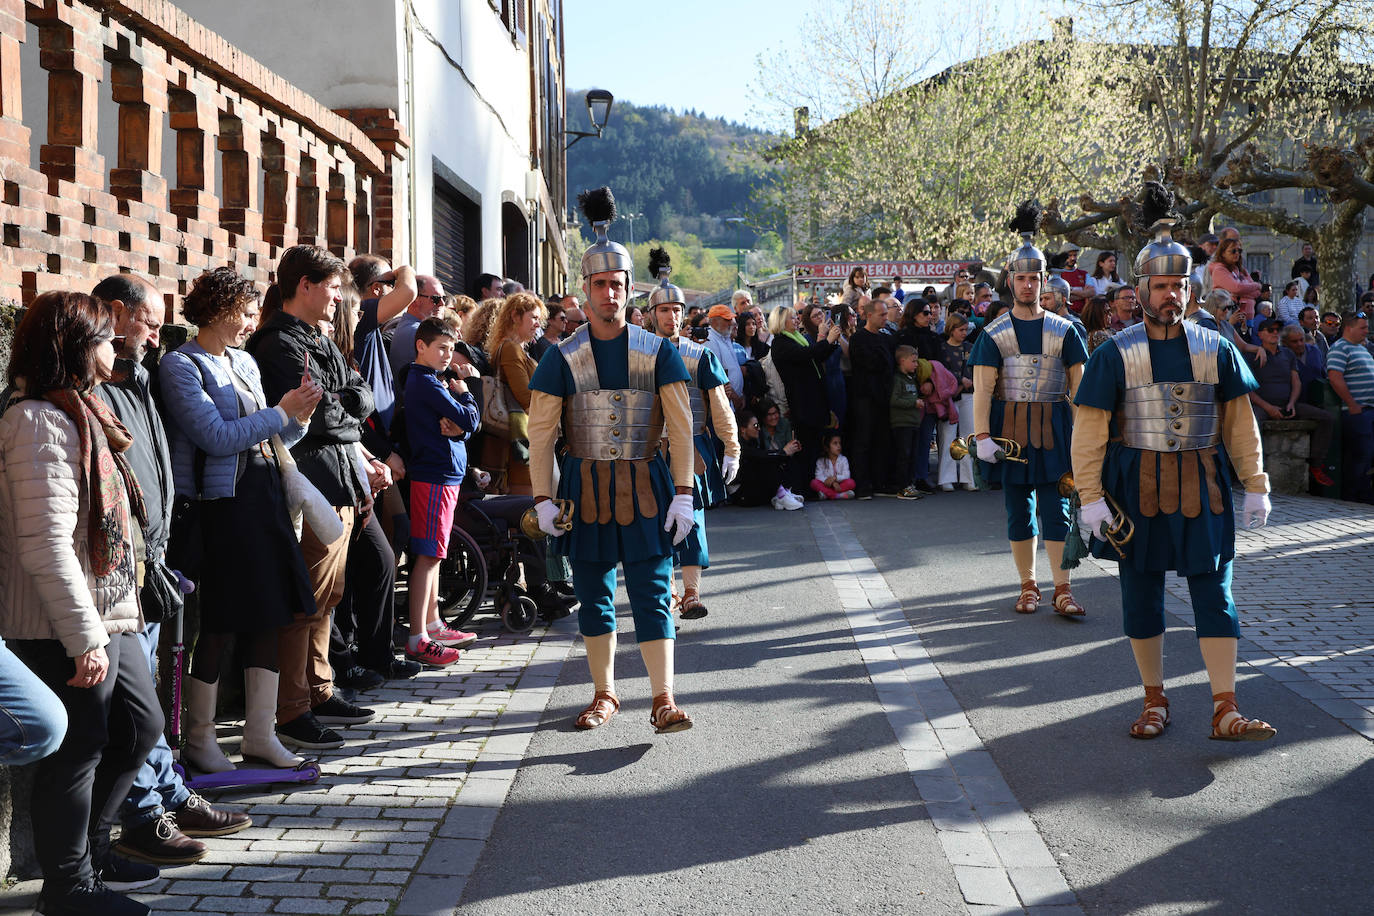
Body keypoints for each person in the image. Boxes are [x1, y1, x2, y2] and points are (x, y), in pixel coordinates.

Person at [1072, 185, 1275, 742]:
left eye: (1179, 285)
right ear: (1140, 291)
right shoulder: (1114, 352)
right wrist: (1089, 495)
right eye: (1160, 286)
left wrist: (1255, 482)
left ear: (1191, 289)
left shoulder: (1216, 346)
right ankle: (1154, 700)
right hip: (1133, 487)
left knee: (1216, 592)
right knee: (1141, 593)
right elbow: (1089, 429)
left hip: (1203, 486)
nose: (1170, 294)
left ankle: (1226, 707)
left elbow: (1239, 422)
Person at [0, 291, 163, 915]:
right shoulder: (36, 421)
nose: (113, 346)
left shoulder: (86, 410)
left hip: (107, 608)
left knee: (140, 727)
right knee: (81, 745)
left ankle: (90, 853)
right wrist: (82, 635)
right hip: (59, 620)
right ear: (73, 348)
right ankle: (67, 887)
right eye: (101, 338)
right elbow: (44, 544)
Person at [90, 275, 250, 865]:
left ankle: (168, 794)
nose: (158, 334)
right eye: (149, 322)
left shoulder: (137, 377)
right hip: (119, 568)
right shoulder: (98, 385)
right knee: (136, 710)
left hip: (153, 557)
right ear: (113, 312)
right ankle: (142, 816)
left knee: (153, 698)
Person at [527, 187, 698, 734]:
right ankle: (604, 694)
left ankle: (663, 698)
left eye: (617, 284)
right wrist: (543, 497)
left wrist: (686, 493)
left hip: (647, 484)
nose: (609, 293)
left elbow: (679, 424)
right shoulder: (560, 356)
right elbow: (541, 432)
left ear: (630, 290)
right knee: (594, 594)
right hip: (584, 485)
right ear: (584, 289)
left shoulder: (658, 350)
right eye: (599, 284)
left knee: (652, 590)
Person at [160, 267, 330, 767]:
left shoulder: (244, 361)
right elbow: (214, 436)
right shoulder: (181, 365)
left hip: (264, 498)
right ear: (215, 309)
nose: (251, 322)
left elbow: (272, 439)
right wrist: (280, 413)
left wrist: (299, 416)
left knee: (270, 619)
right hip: (221, 509)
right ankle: (201, 739)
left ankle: (260, 734)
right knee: (220, 624)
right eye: (245, 312)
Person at [246, 245, 379, 750]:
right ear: (304, 285)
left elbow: (363, 396)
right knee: (303, 601)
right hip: (310, 485)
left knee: (328, 597)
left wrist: (346, 412)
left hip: (338, 479)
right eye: (330, 287)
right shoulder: (278, 344)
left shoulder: (316, 338)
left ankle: (321, 690)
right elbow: (318, 416)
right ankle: (292, 708)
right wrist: (348, 414)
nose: (339, 298)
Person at [970, 201, 1088, 617]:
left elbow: (1083, 392)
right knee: (1018, 510)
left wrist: (1091, 440)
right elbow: (983, 391)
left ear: (1044, 282)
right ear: (1010, 280)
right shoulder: (992, 334)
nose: (1026, 285)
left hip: (1055, 427)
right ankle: (1027, 585)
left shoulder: (1066, 331)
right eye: (1019, 278)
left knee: (1056, 509)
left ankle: (1063, 587)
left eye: (1033, 278)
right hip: (1009, 428)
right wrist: (981, 436)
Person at [646, 248, 741, 619]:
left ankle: (691, 593)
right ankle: (666, 592)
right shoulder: (638, 355)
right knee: (658, 522)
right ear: (652, 314)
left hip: (696, 449)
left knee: (694, 520)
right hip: (653, 449)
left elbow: (719, 406)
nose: (671, 316)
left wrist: (732, 447)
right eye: (664, 310)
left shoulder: (700, 356)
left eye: (676, 310)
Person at [403, 317, 483, 666]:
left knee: (435, 553)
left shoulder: (434, 381)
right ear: (421, 345)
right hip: (433, 474)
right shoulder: (426, 382)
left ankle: (433, 623)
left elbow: (461, 429)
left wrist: (460, 427)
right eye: (441, 348)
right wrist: (467, 396)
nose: (448, 356)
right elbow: (470, 421)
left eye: (451, 349)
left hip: (444, 473)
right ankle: (417, 637)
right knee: (428, 554)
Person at [1248, 318, 1335, 487]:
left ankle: (1316, 466)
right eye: (1270, 330)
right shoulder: (1252, 355)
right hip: (1262, 405)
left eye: (1277, 330)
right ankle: (1254, 471)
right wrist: (1268, 407)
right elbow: (1247, 389)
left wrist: (1291, 403)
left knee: (1326, 418)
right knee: (1252, 423)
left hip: (1288, 403)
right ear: (1260, 334)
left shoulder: (1287, 354)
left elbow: (1296, 381)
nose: (1275, 333)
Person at [769, 304, 841, 489]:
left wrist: (832, 342)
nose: (797, 320)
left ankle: (813, 484)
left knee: (815, 443)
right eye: (792, 318)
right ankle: (805, 486)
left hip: (815, 398)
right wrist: (826, 339)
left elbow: (816, 357)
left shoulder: (797, 338)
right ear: (781, 322)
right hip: (803, 400)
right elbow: (808, 355)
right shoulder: (781, 343)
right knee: (807, 446)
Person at [483, 292, 546, 495]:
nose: (538, 324)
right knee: (525, 510)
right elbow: (525, 396)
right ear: (515, 316)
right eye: (534, 318)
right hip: (518, 441)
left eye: (539, 319)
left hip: (522, 435)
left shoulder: (516, 348)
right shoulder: (510, 348)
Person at [848, 297, 898, 498]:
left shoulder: (887, 338)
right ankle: (862, 484)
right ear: (869, 315)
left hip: (884, 397)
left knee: (882, 440)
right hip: (865, 398)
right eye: (882, 314)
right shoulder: (859, 338)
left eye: (887, 314)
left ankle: (880, 482)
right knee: (863, 441)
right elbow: (871, 364)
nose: (886, 318)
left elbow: (890, 364)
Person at [1326, 311, 1374, 503]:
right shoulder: (1340, 348)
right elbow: (1335, 377)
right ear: (1349, 328)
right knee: (1360, 453)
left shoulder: (1362, 349)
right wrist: (1352, 405)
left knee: (1368, 454)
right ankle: (1352, 497)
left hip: (1368, 410)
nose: (1366, 331)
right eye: (1362, 327)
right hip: (1357, 412)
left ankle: (1364, 493)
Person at [890, 345, 935, 499]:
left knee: (912, 456)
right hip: (902, 423)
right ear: (902, 361)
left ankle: (910, 484)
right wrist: (913, 402)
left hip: (913, 422)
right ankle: (902, 487)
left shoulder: (912, 378)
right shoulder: (897, 379)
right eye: (914, 361)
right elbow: (894, 400)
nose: (916, 365)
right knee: (904, 455)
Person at [732, 409, 801, 508]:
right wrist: (783, 452)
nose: (759, 429)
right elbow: (759, 455)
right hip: (741, 494)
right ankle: (781, 495)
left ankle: (782, 493)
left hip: (752, 488)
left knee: (784, 461)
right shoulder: (737, 445)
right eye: (755, 426)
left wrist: (785, 453)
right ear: (743, 429)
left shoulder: (753, 441)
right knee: (766, 462)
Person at [938, 314, 976, 490]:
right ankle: (946, 478)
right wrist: (959, 381)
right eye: (960, 330)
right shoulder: (942, 349)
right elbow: (942, 372)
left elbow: (974, 368)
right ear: (951, 329)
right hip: (949, 397)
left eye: (965, 330)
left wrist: (966, 381)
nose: (964, 333)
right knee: (948, 436)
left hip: (968, 395)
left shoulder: (970, 347)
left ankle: (970, 478)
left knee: (969, 436)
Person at [387, 274, 446, 380]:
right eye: (435, 299)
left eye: (444, 298)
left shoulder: (410, 326)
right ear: (414, 299)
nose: (442, 304)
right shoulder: (416, 331)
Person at [704, 304, 745, 411]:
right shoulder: (710, 340)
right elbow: (718, 374)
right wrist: (734, 396)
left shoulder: (724, 336)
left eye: (731, 319)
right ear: (714, 322)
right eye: (727, 320)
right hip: (725, 401)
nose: (731, 323)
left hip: (733, 400)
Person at [1207, 237, 1261, 319]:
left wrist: (1242, 292)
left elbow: (1257, 293)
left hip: (1248, 317)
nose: (1237, 253)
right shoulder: (1219, 270)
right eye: (1233, 251)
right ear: (1223, 253)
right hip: (1230, 316)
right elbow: (1237, 288)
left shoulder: (1241, 270)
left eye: (1239, 251)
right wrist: (1256, 285)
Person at [810, 431, 857, 499]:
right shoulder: (821, 461)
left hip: (839, 485)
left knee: (851, 482)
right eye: (835, 443)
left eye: (839, 443)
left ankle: (827, 494)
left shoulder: (843, 459)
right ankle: (838, 495)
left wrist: (835, 479)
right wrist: (832, 483)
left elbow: (847, 475)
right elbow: (818, 476)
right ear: (827, 447)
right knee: (813, 483)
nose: (838, 446)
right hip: (826, 485)